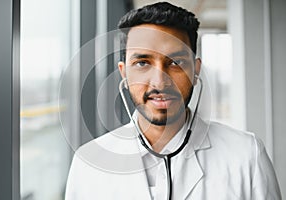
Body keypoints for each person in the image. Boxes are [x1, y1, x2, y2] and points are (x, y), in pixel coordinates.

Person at [65, 2, 281, 200]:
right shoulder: (88, 163)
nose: (159, 81)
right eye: (142, 63)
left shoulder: (246, 155)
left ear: (196, 71)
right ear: (124, 73)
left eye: (176, 62)